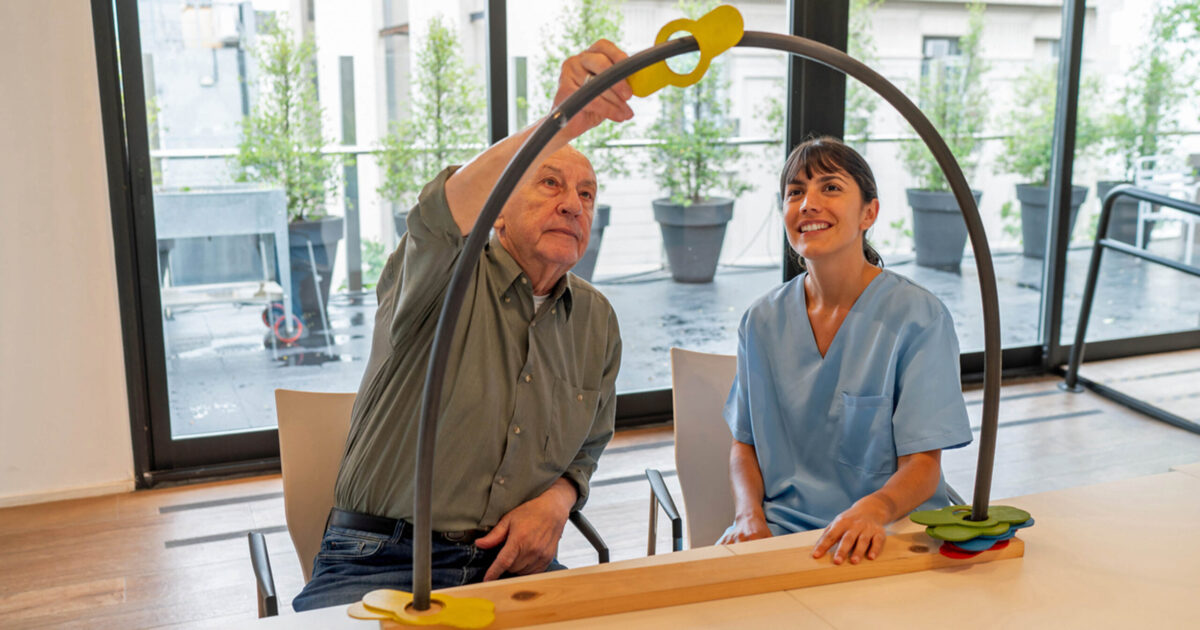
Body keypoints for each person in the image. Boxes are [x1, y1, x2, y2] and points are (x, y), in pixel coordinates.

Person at [292, 40, 635, 612]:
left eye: (587, 194)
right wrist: (559, 125)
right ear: (497, 210)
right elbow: (440, 213)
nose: (574, 205)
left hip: (513, 565)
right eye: (549, 183)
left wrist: (557, 501)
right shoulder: (442, 274)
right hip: (381, 559)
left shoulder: (597, 321)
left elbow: (589, 444)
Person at [716, 136, 972, 566]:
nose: (808, 203)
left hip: (894, 526)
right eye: (795, 192)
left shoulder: (918, 317)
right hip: (785, 532)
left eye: (830, 187)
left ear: (869, 212)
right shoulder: (761, 321)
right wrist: (748, 515)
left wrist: (875, 509)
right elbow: (745, 445)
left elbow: (924, 465)